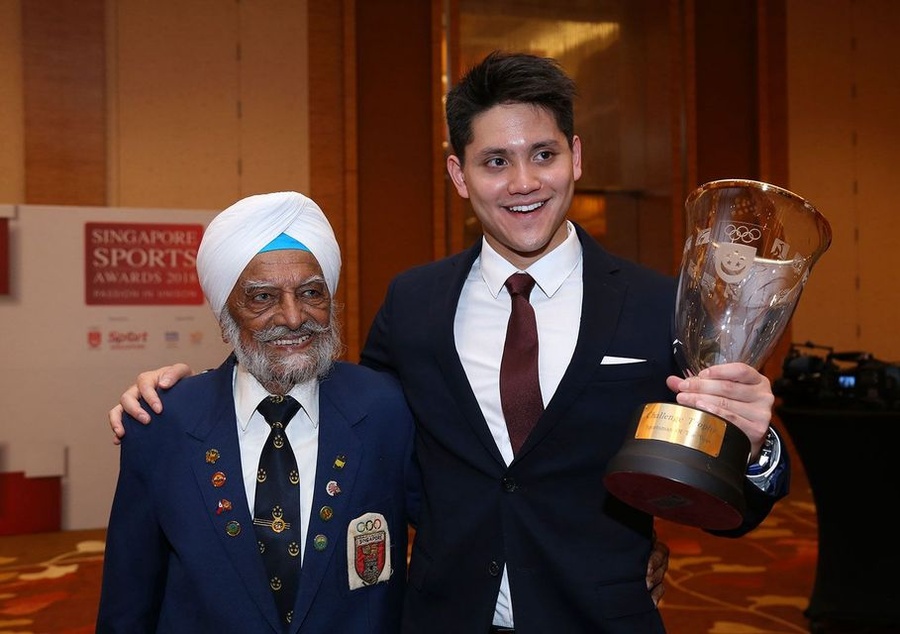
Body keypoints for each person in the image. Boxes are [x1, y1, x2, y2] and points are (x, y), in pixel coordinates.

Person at [110, 51, 786, 633]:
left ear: (575, 158)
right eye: (495, 161)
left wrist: (756, 452)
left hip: (602, 616)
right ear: (459, 175)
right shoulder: (415, 304)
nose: (523, 183)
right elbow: (342, 417)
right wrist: (190, 396)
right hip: (442, 616)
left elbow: (724, 504)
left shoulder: (656, 305)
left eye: (543, 155)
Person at [97, 191, 420, 633]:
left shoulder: (388, 409)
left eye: (311, 292)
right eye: (263, 297)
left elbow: (449, 541)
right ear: (224, 314)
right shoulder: (162, 424)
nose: (292, 317)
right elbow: (129, 598)